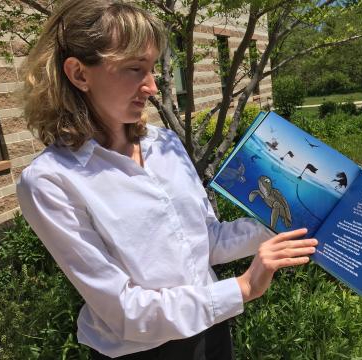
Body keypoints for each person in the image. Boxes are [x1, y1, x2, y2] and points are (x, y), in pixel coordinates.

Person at [17, 0, 318, 359]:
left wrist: (291, 223)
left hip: (211, 326)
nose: (152, 87)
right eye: (134, 69)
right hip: (142, 352)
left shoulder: (164, 144)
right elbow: (124, 309)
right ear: (80, 74)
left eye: (153, 69)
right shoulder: (50, 181)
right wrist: (241, 288)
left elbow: (204, 239)